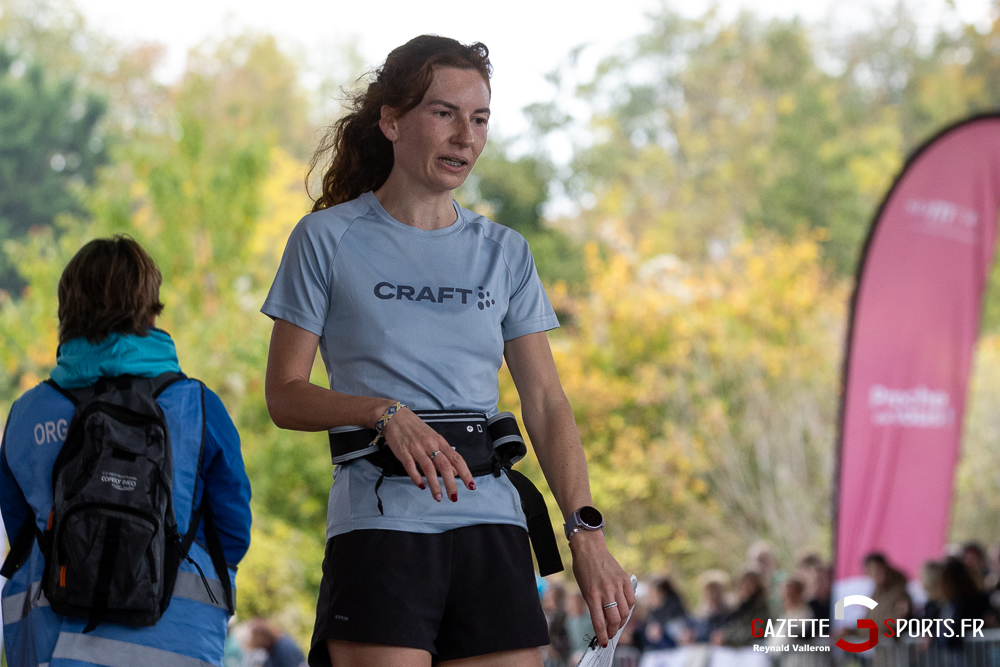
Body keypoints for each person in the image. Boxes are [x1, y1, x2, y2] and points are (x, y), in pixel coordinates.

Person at [262, 34, 633, 667]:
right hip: (380, 527)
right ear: (391, 121)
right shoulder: (325, 238)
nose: (465, 135)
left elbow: (545, 402)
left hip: (495, 526)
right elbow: (284, 395)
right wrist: (383, 411)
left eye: (480, 118)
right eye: (444, 113)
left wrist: (586, 532)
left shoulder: (506, 251)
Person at [0, 236, 252, 665]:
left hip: (53, 646)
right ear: (151, 308)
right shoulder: (198, 406)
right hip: (179, 646)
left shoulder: (28, 413)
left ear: (66, 309)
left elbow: (20, 531)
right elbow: (233, 531)